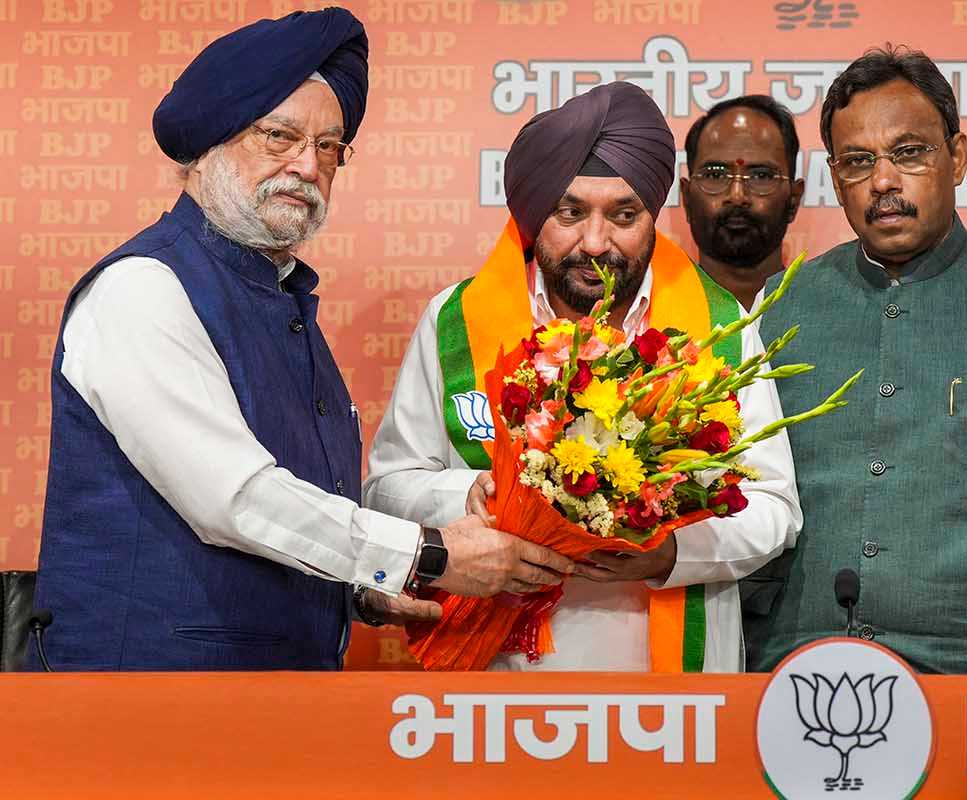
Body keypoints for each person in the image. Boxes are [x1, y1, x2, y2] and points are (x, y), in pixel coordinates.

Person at [30, 9, 572, 671]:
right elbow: (235, 500)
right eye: (278, 136)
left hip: (273, 707)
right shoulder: (143, 288)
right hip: (146, 706)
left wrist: (361, 591)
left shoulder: (281, 298)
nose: (306, 166)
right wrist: (426, 556)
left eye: (328, 147)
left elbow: (290, 520)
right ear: (207, 145)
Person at [364, 82, 801, 672]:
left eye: (624, 215)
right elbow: (387, 489)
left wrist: (670, 553)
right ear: (532, 212)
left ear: (653, 217)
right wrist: (464, 496)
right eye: (569, 213)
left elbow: (774, 507)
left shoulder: (718, 327)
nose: (595, 243)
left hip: (673, 702)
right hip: (493, 688)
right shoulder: (456, 321)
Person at [743, 46, 967, 675]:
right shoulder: (779, 310)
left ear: (958, 157)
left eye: (909, 152)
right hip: (808, 674)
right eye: (858, 162)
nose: (883, 181)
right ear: (835, 179)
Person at [681, 95, 805, 311]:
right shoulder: (650, 320)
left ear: (793, 200)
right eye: (716, 175)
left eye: (761, 176)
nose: (737, 196)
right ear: (686, 198)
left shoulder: (830, 315)